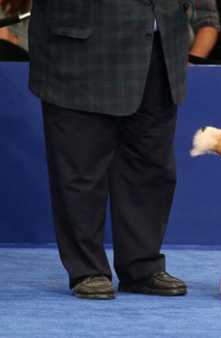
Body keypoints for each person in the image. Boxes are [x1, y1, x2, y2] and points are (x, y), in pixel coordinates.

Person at [0, 0, 189, 299]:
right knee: (80, 168)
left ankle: (142, 266)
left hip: (159, 44)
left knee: (151, 166)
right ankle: (87, 269)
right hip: (81, 48)